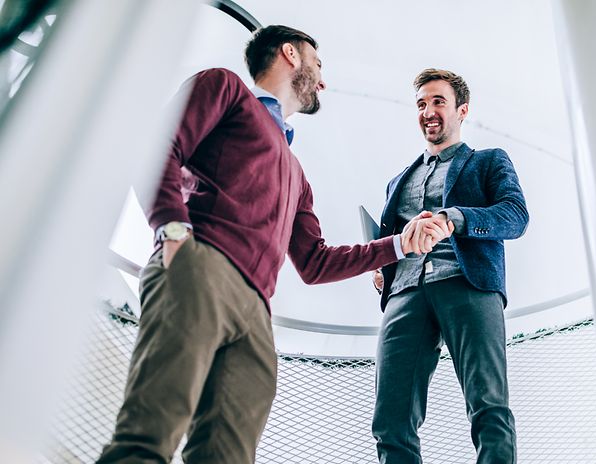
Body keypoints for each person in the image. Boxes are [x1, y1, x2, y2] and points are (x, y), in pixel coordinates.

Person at [97, 26, 445, 464]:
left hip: (257, 319)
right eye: (318, 66)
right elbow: (158, 148)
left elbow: (315, 263)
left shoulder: (297, 175)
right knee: (149, 432)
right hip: (199, 268)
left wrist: (397, 245)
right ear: (290, 55)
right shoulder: (225, 88)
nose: (323, 81)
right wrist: (172, 232)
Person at [371, 68, 529, 464]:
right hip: (404, 294)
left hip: (468, 285)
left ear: (462, 110)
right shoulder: (397, 181)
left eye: (438, 101)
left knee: (488, 405)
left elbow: (515, 215)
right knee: (390, 422)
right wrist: (381, 266)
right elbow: (391, 237)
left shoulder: (489, 161)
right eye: (421, 103)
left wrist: (452, 218)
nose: (428, 110)